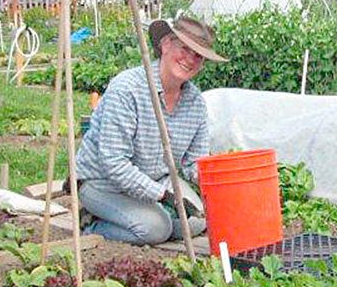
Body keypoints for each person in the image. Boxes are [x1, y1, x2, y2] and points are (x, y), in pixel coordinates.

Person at [75, 14, 226, 245]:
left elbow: (193, 162)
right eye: (185, 49)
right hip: (103, 182)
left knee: (196, 222)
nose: (190, 60)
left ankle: (136, 214)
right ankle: (91, 223)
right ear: (165, 45)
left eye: (198, 56)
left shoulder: (195, 102)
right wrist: (163, 196)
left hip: (157, 179)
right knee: (155, 229)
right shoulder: (127, 89)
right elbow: (114, 163)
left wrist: (224, 182)